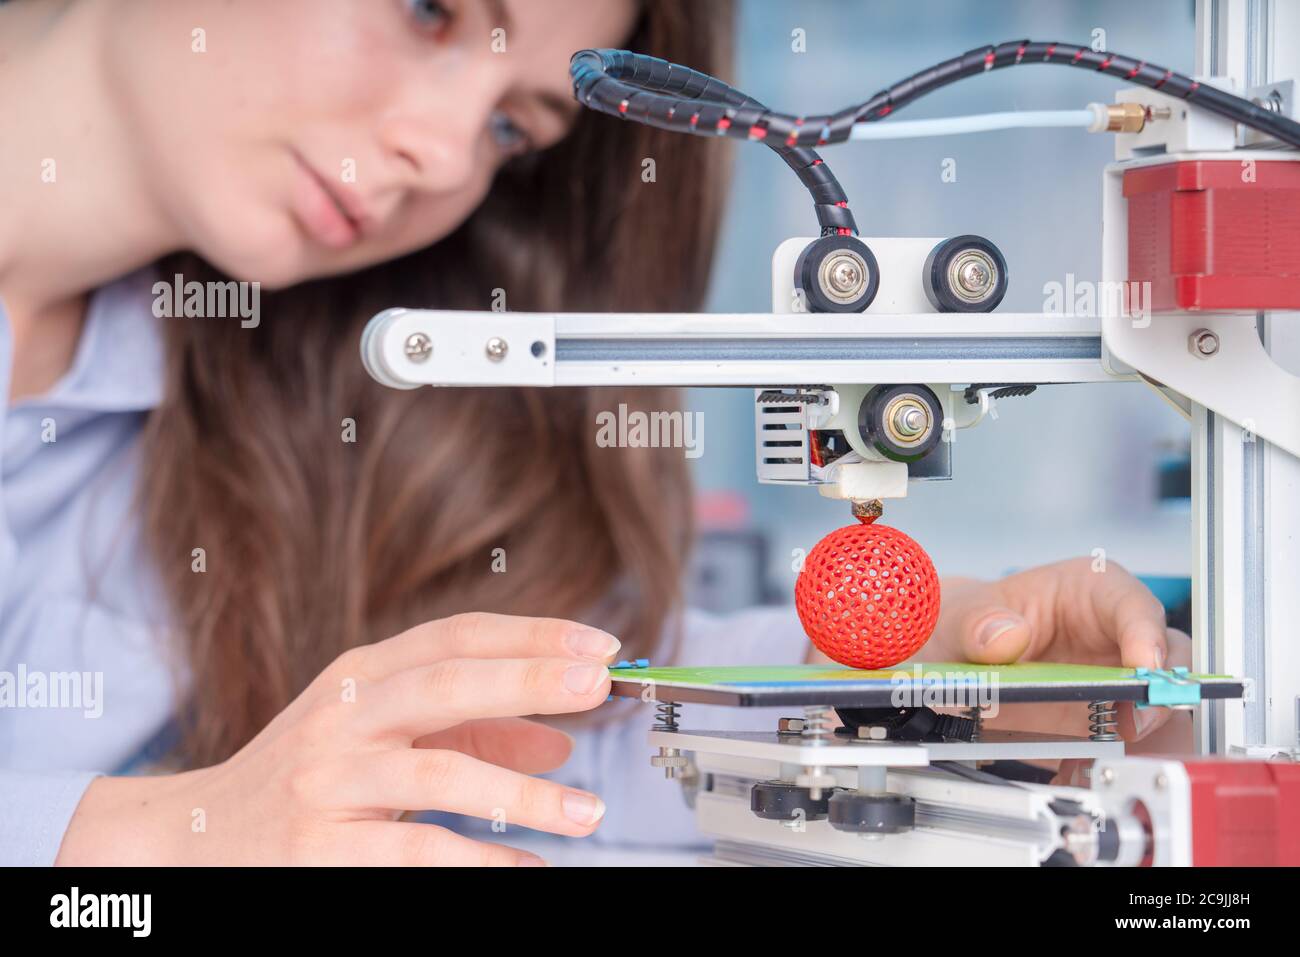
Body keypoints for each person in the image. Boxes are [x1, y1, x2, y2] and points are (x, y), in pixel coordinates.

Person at [0, 0, 1189, 867]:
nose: (442, 151)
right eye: (430, 10)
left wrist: (953, 663)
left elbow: (565, 727)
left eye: (514, 129)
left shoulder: (256, 368)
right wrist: (144, 844)